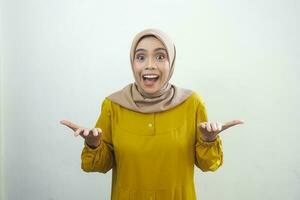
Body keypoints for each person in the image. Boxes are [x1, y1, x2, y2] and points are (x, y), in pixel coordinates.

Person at [60, 28, 244, 200]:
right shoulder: (113, 105)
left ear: (170, 61)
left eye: (160, 56)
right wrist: (93, 145)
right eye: (141, 57)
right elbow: (99, 166)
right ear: (132, 61)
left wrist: (209, 141)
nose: (150, 65)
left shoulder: (191, 103)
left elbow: (208, 165)